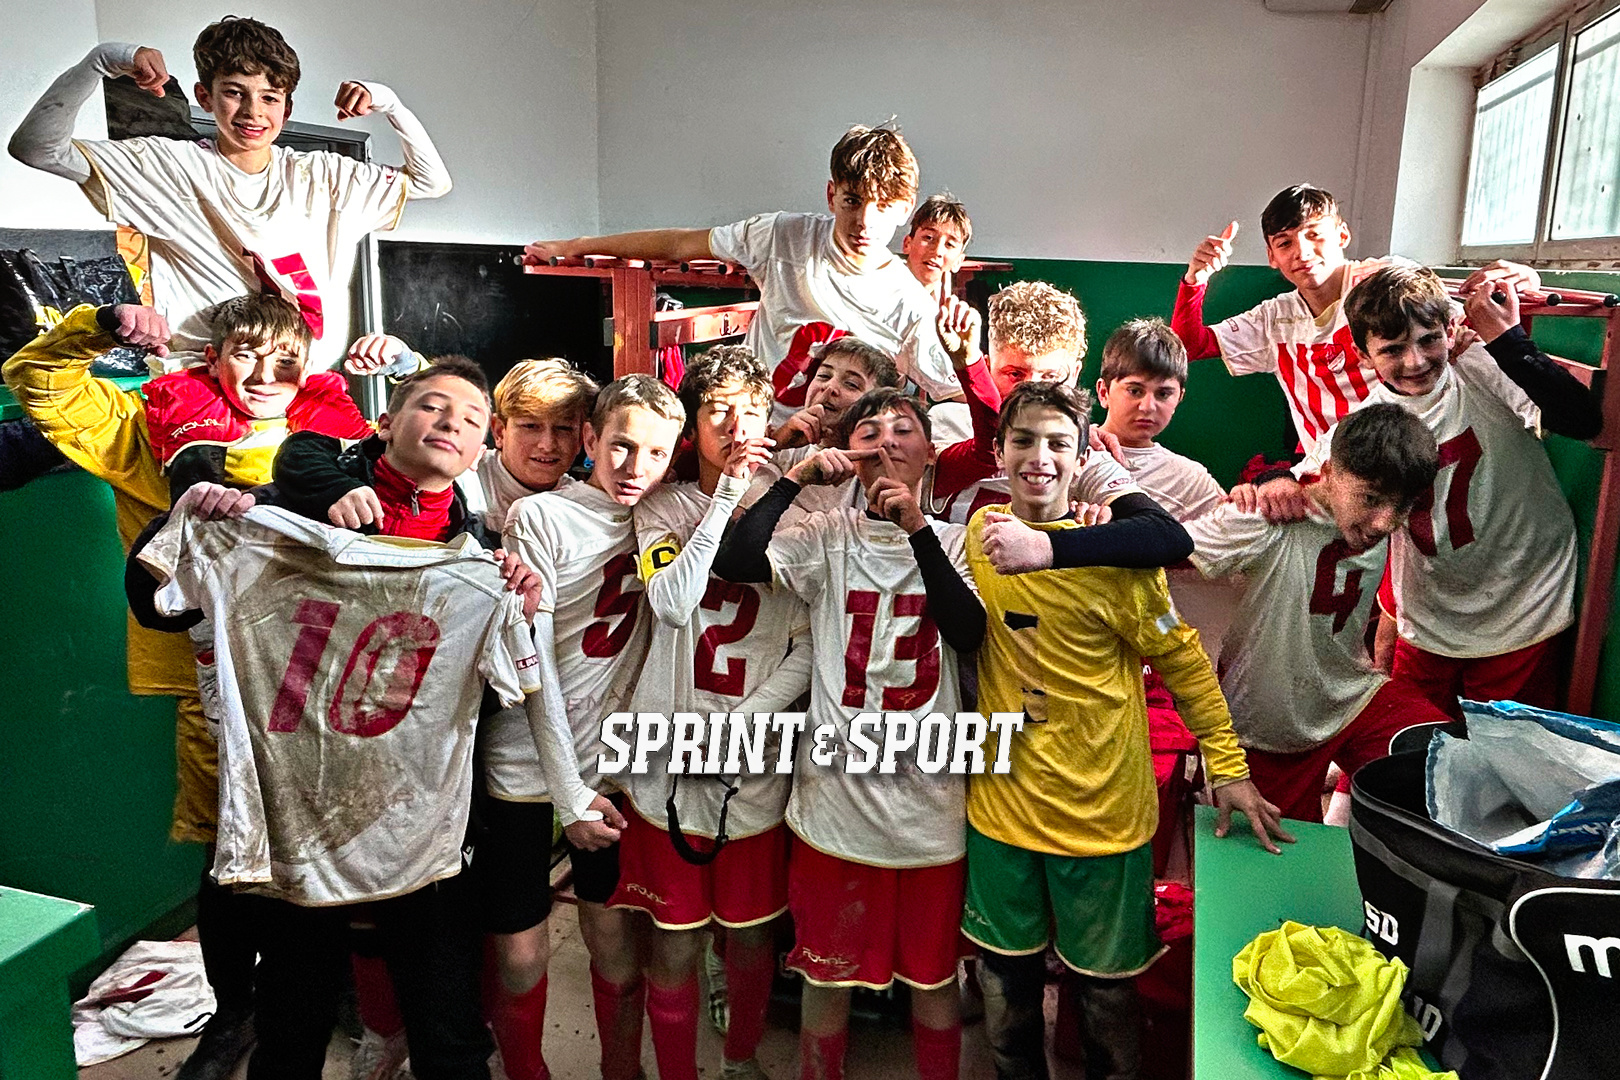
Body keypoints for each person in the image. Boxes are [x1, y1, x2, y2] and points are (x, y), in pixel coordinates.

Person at [130, 357, 540, 1080]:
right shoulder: (279, 515)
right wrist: (187, 520)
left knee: (447, 1026)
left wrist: (517, 610)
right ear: (384, 423)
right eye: (431, 406)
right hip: (297, 819)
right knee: (291, 1022)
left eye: (472, 419)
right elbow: (156, 603)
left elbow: (495, 696)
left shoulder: (479, 557)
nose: (451, 423)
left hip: (420, 825)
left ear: (483, 449)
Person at [961, 380, 1288, 1080]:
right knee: (1006, 992)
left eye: (1058, 443)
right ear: (998, 452)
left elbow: (1185, 664)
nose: (1039, 457)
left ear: (1082, 458)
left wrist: (1228, 767)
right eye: (1023, 440)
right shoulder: (980, 536)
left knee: (1107, 999)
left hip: (1102, 818)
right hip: (1000, 811)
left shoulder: (1120, 563)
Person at [713, 387, 985, 1080]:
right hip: (835, 804)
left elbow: (967, 632)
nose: (887, 440)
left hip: (929, 809)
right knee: (825, 977)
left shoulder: (961, 540)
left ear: (931, 452)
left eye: (904, 429)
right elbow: (736, 561)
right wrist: (795, 478)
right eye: (870, 430)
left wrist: (917, 527)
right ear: (851, 453)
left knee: (933, 984)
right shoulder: (829, 533)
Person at [8, 14, 451, 369]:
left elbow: (431, 182)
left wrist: (390, 103)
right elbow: (36, 148)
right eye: (235, 93)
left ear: (287, 107)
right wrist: (102, 60)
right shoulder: (167, 166)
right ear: (205, 97)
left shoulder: (323, 175)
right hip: (204, 387)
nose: (253, 112)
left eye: (269, 97)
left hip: (302, 385)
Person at [1257, 267, 1601, 718]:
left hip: (1523, 598)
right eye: (1393, 349)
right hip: (1430, 611)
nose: (1415, 361)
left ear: (1450, 331)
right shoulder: (1369, 421)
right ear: (1363, 356)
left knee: (1505, 747)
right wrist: (1272, 481)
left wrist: (1507, 339)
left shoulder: (1478, 368)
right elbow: (1305, 475)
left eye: (1428, 340)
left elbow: (1583, 420)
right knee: (1414, 738)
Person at [610, 345, 810, 1080]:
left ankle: (740, 1061)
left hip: (752, 754)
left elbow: (808, 645)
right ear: (691, 427)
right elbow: (671, 602)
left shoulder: (798, 510)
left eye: (751, 411)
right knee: (673, 938)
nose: (737, 425)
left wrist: (746, 723)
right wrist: (724, 497)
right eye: (718, 410)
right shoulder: (662, 506)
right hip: (665, 756)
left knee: (752, 935)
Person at [523, 122, 971, 417]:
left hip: (840, 460)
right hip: (753, 434)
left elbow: (953, 395)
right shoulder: (784, 236)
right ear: (831, 195)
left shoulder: (909, 303)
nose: (864, 222)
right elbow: (680, 242)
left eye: (884, 207)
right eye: (853, 201)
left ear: (905, 211)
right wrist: (575, 245)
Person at [505, 376, 687, 1080]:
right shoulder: (542, 517)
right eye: (620, 446)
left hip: (612, 768)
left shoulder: (665, 517)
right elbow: (534, 665)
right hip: (527, 763)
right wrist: (567, 793)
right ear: (590, 439)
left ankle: (620, 1070)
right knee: (520, 950)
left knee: (612, 936)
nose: (635, 467)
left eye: (655, 452)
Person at [1186, 404, 1447, 821]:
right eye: (1370, 499)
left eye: (1402, 506)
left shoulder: (1364, 517)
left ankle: (1357, 829)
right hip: (1268, 724)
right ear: (1327, 472)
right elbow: (1166, 550)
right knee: (1279, 848)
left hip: (1351, 698)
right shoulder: (1266, 519)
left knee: (1443, 761)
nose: (1385, 522)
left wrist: (1274, 475)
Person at [1169, 184, 1537, 455]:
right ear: (1272, 257)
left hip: (1418, 451)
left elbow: (1468, 328)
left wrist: (1526, 278)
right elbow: (1189, 346)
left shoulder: (1386, 280)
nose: (1302, 252)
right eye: (1285, 243)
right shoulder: (1275, 318)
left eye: (1315, 235)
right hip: (1331, 469)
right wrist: (1195, 280)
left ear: (1342, 235)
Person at [1094, 317, 1223, 522]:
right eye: (1134, 390)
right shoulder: (1066, 450)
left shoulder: (1190, 480)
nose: (1147, 406)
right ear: (1103, 392)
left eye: (1163, 394)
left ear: (1179, 398)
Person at [903, 193, 972, 301]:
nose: (937, 251)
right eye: (929, 237)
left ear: (958, 262)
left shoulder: (947, 308)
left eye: (949, 244)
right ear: (907, 244)